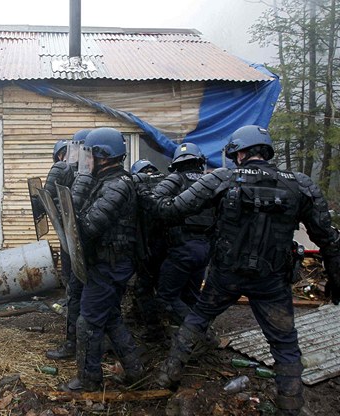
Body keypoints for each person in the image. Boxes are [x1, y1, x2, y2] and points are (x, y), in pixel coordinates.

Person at [146, 125, 340, 416]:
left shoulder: (222, 178)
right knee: (284, 342)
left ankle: (167, 377)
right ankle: (291, 405)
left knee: (196, 320)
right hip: (272, 280)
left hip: (225, 277)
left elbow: (168, 210)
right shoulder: (299, 184)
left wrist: (164, 185)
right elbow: (328, 238)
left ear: (239, 153)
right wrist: (336, 281)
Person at [61, 127, 144, 392]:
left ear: (103, 156)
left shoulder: (117, 186)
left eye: (88, 156)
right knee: (110, 318)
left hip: (111, 265)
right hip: (105, 263)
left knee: (88, 322)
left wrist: (83, 179)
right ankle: (136, 372)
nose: (85, 161)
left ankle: (89, 381)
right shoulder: (107, 182)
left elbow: (84, 228)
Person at [151, 143, 215, 327]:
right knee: (192, 296)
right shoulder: (209, 182)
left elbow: (154, 201)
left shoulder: (176, 179)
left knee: (166, 296)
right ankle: (191, 337)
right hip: (204, 250)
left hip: (182, 248)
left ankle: (196, 331)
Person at [45, 129, 92, 360]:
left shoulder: (80, 175)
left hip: (83, 245)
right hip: (81, 243)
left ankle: (74, 345)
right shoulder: (83, 174)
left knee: (77, 293)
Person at [130, 159, 167, 330]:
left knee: (144, 288)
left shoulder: (136, 187)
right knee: (162, 287)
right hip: (168, 247)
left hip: (147, 248)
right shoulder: (166, 183)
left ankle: (154, 329)